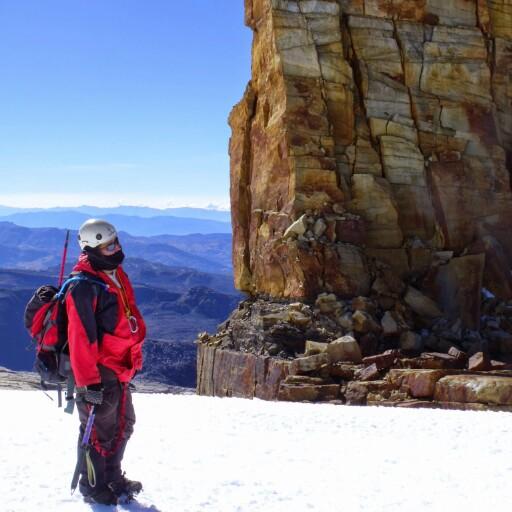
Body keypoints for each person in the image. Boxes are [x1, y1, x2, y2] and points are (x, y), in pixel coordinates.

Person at [65, 219, 146, 505]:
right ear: (92, 248)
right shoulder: (83, 287)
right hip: (99, 372)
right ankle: (93, 485)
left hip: (119, 366)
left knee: (124, 423)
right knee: (99, 431)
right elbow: (80, 339)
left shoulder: (114, 273)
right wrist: (88, 384)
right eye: (109, 245)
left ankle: (112, 476)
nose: (116, 248)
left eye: (117, 242)